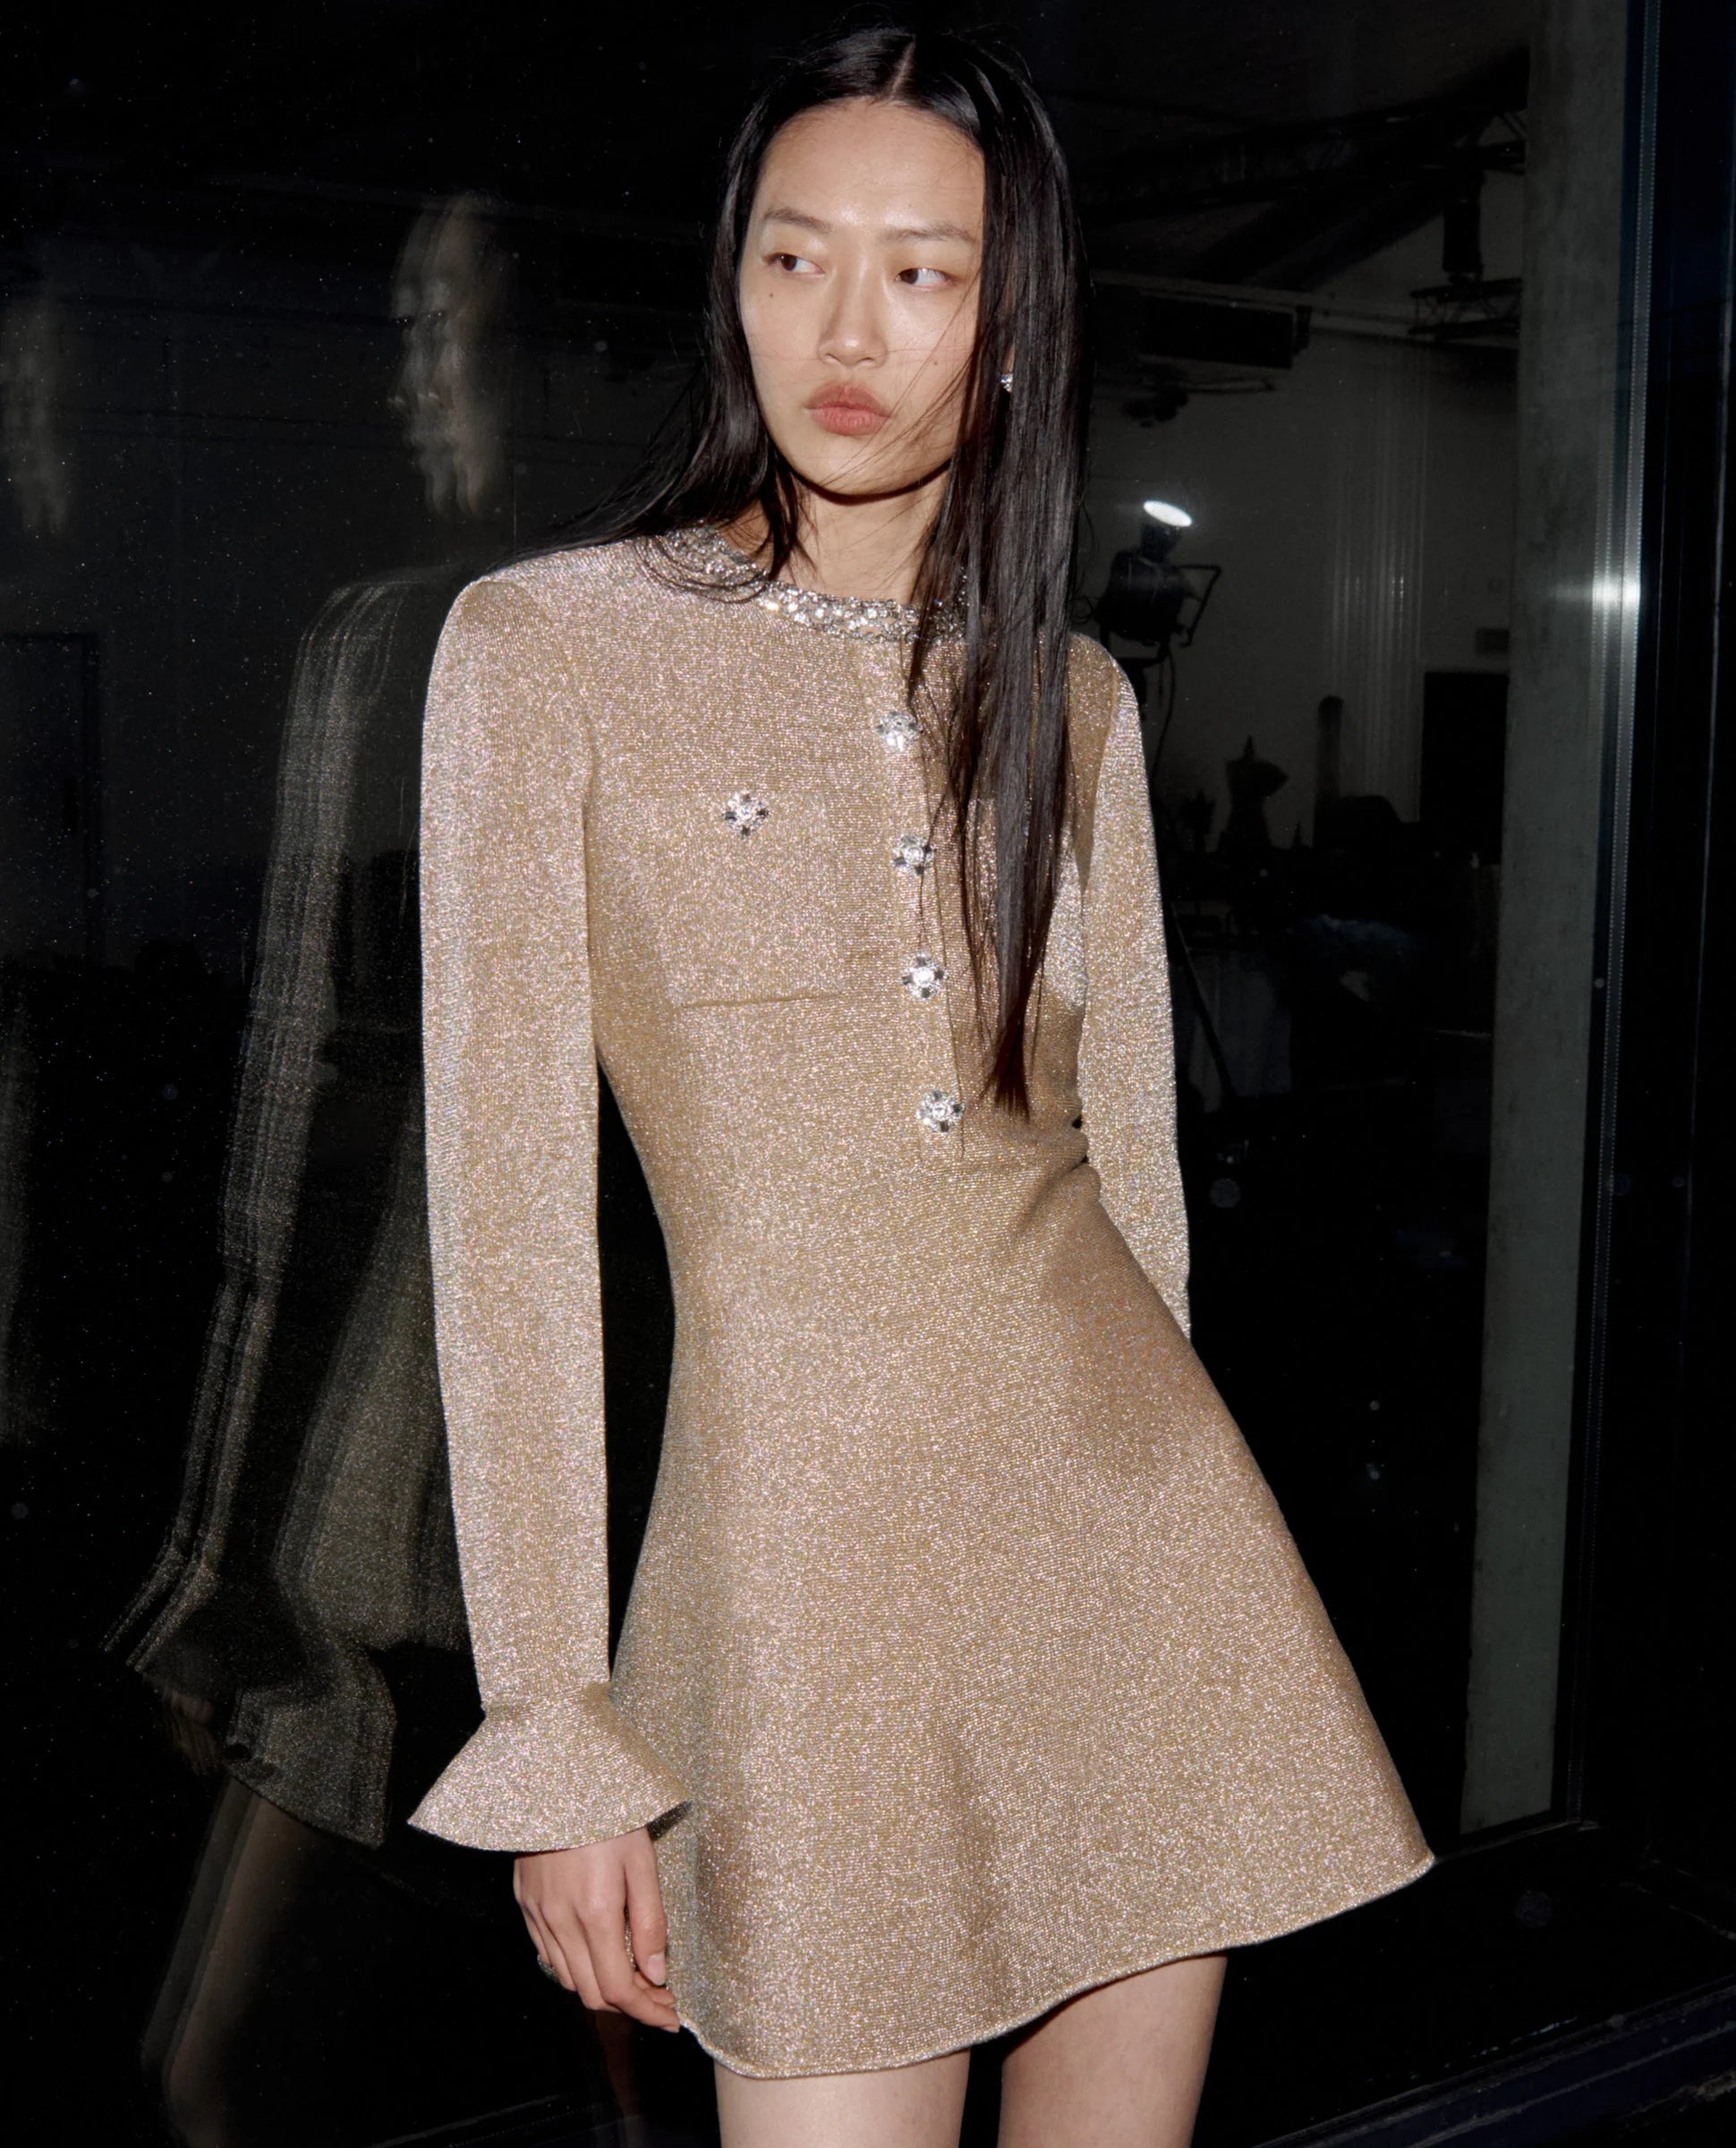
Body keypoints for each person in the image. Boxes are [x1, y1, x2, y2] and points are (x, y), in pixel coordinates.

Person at [411, 27, 1434, 2148]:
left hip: (1137, 1552)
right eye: (793, 260)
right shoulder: (547, 649)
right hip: (800, 1597)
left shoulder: (1075, 696)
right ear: (731, 287)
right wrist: (554, 1734)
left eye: (922, 273)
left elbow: (1131, 1184)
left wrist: (1164, 1560)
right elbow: (506, 1234)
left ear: (1017, 323)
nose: (845, 333)